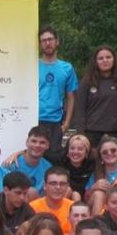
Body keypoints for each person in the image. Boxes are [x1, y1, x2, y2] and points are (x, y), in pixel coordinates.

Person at [37, 25, 78, 155]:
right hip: (35, 120)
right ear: (40, 44)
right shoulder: (32, 65)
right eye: (43, 40)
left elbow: (71, 97)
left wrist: (66, 124)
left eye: (50, 39)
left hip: (56, 122)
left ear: (57, 41)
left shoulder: (67, 68)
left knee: (53, 159)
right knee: (34, 156)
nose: (47, 43)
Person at [85, 135, 117, 212]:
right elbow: (85, 199)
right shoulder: (96, 173)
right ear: (101, 157)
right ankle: (97, 223)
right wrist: (93, 188)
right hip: (104, 208)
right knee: (98, 194)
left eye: (113, 150)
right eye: (105, 152)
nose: (109, 153)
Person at [3, 127, 52, 195]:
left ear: (47, 145)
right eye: (33, 141)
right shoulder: (11, 164)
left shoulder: (48, 168)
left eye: (42, 142)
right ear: (27, 142)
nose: (37, 145)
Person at [30, 166, 75, 233]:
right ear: (44, 185)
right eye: (53, 183)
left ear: (67, 186)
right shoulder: (32, 208)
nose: (58, 187)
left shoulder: (74, 208)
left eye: (62, 184)